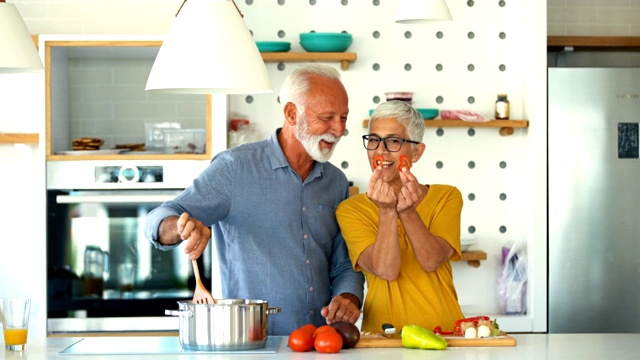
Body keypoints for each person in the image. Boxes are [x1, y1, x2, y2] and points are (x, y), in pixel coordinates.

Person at [144, 63, 364, 336]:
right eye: (328, 117)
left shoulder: (336, 182)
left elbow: (344, 263)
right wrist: (179, 226)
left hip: (321, 344)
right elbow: (158, 218)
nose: (339, 129)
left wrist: (349, 298)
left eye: (344, 117)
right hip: (253, 344)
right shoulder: (235, 168)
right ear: (292, 114)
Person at [336, 100, 464, 334]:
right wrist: (387, 212)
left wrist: (407, 211)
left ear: (417, 152)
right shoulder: (350, 209)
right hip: (382, 338)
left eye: (393, 141)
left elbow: (431, 260)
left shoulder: (446, 197)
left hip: (445, 335)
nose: (380, 151)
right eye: (374, 140)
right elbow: (385, 270)